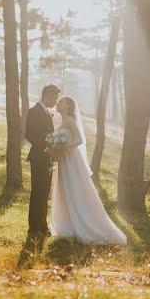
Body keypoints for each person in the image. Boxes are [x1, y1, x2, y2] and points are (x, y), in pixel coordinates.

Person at [49, 95, 127, 245]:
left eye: (61, 102)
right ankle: (68, 225)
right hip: (64, 160)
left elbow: (79, 140)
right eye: (58, 102)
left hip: (71, 160)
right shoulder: (63, 120)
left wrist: (65, 146)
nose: (58, 104)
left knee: (73, 189)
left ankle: (84, 224)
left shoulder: (70, 120)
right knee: (64, 190)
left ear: (69, 106)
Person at [25, 84, 61, 238]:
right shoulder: (34, 111)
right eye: (55, 97)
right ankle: (34, 228)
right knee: (38, 193)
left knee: (44, 193)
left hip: (47, 159)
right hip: (39, 157)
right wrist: (47, 149)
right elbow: (30, 134)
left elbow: (46, 135)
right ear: (47, 95)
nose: (56, 101)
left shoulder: (46, 112)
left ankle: (42, 226)